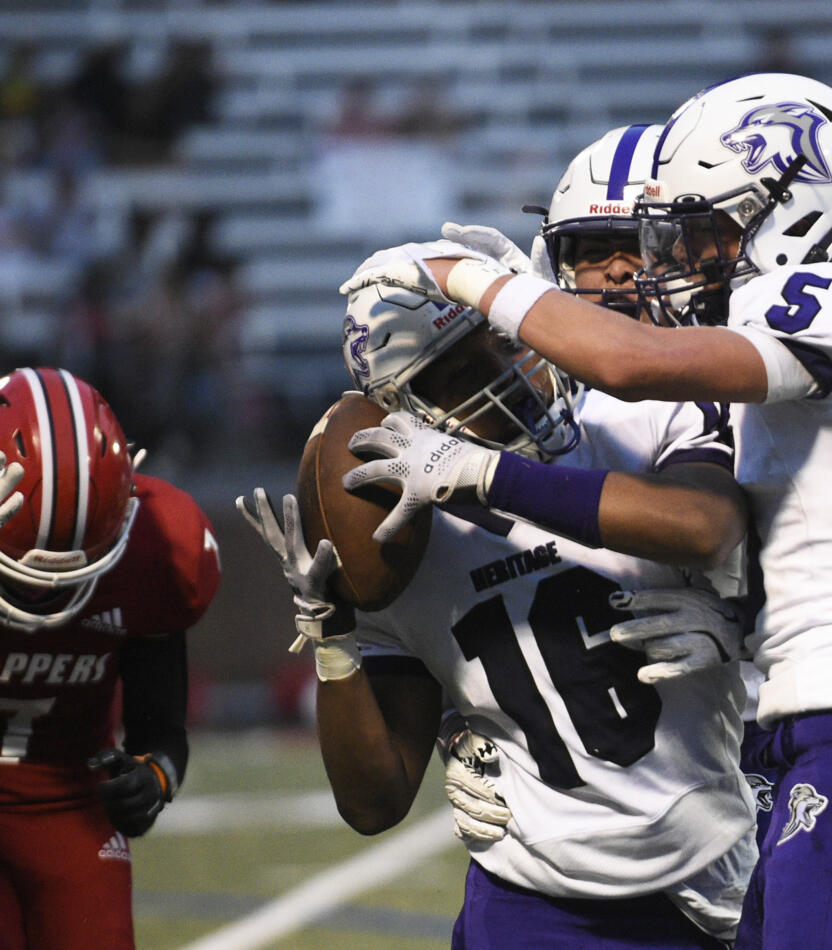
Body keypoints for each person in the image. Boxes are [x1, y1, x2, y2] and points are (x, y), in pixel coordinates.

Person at [338, 72, 832, 950]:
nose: (654, 265)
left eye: (693, 233)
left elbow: (640, 379)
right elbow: (810, 543)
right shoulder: (751, 370)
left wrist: (470, 285)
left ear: (786, 205)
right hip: (797, 735)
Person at [241, 123, 761, 949]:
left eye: (503, 344)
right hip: (536, 901)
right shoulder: (404, 532)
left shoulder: (645, 403)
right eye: (458, 371)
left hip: (715, 858)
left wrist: (745, 629)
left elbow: (717, 533)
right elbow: (374, 802)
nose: (503, 374)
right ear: (407, 408)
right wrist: (333, 637)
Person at [0, 366, 220, 950]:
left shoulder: (156, 545)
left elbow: (162, 730)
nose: (48, 590)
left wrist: (153, 777)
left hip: (72, 809)